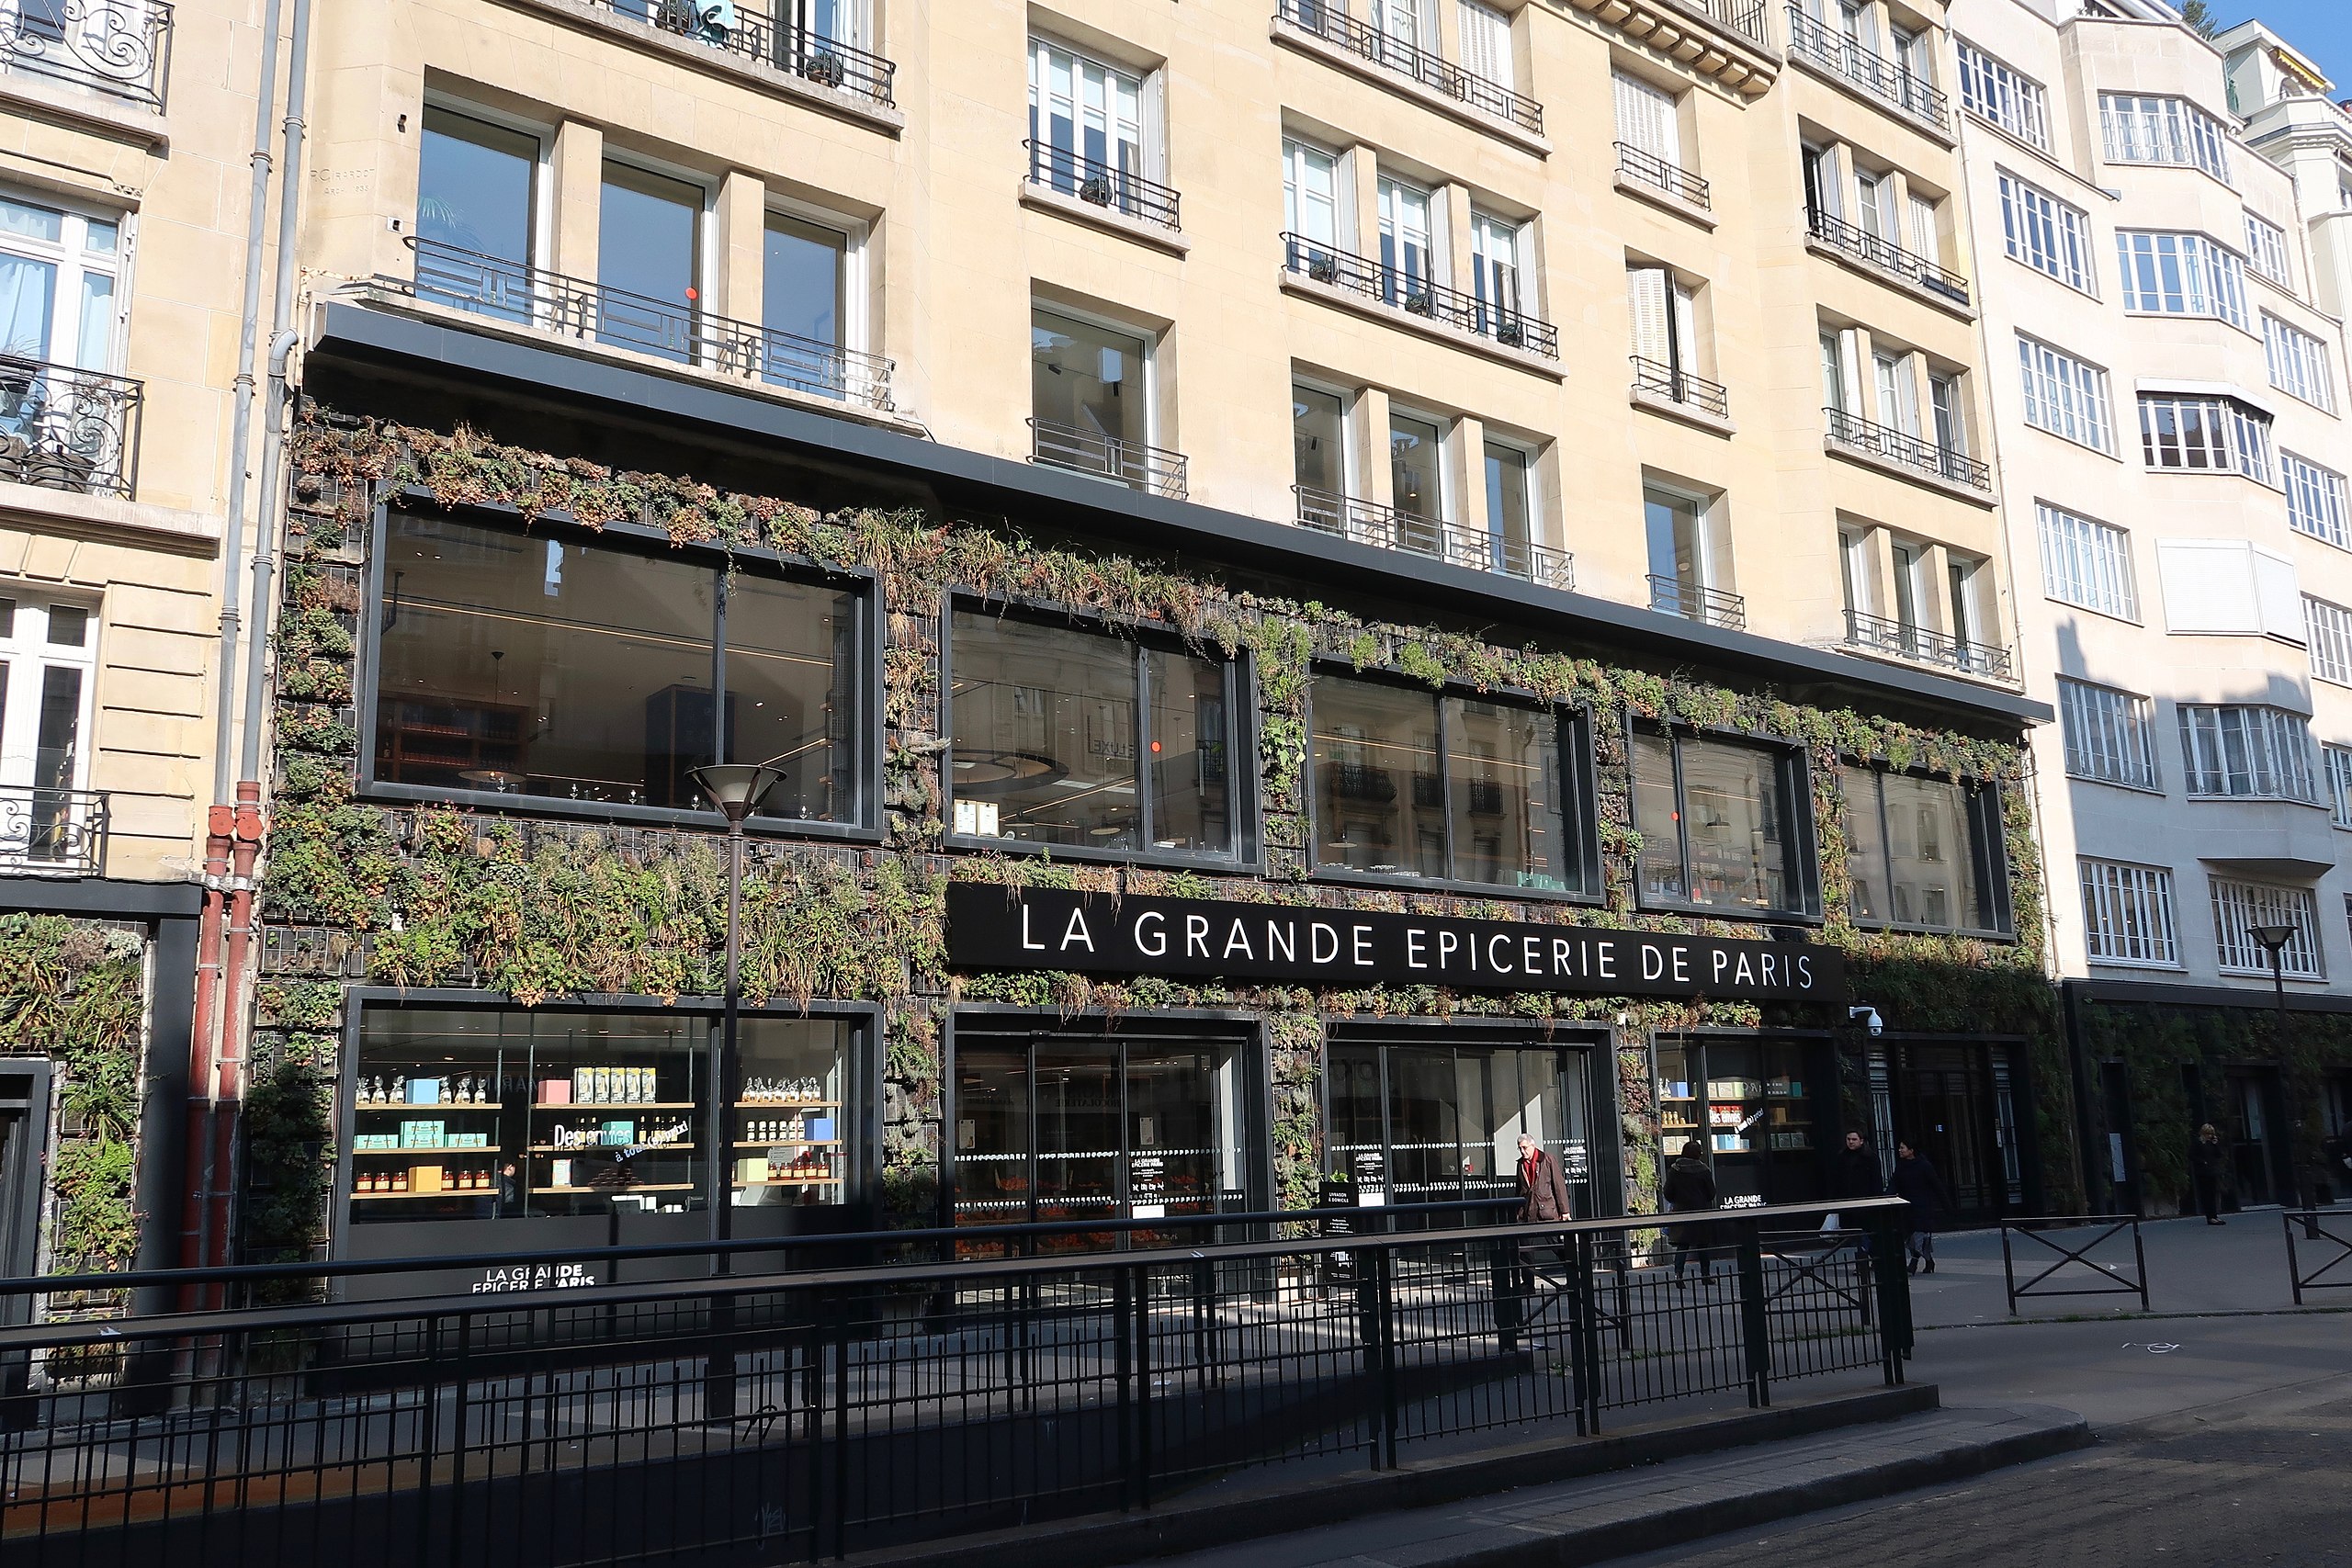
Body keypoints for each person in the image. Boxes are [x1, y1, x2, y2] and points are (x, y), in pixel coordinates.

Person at [1660, 1138, 1719, 1286]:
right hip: (1700, 1210)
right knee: (1702, 1244)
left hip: (1682, 1210)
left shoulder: (1675, 1170)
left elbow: (1667, 1192)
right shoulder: (1704, 1170)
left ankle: (1678, 1275)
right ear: (1698, 1154)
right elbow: (1711, 1193)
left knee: (1682, 1244)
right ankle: (1705, 1275)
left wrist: (1677, 1200)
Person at [1890, 1141, 1948, 1274]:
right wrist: (1887, 1196)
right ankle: (1929, 1260)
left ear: (1911, 1150)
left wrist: (1946, 1206)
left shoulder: (1924, 1165)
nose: (1900, 1150)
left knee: (1919, 1236)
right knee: (1910, 1238)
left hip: (1922, 1206)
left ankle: (1913, 1263)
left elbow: (1936, 1185)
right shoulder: (1901, 1166)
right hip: (1906, 1206)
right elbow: (1894, 1182)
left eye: (1902, 1148)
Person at [1517, 1133, 1572, 1224]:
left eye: (1525, 1147)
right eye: (1520, 1148)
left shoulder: (1548, 1159)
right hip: (1528, 1215)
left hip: (1547, 1214)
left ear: (1533, 1146)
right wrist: (1519, 1213)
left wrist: (1564, 1211)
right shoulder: (1520, 1164)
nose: (1522, 1151)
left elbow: (1559, 1186)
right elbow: (1519, 1190)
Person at [2190, 1122, 2227, 1224]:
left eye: (2211, 1134)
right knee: (2207, 1195)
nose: (2209, 1136)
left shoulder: (2212, 1143)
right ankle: (2210, 1217)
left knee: (2213, 1194)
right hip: (2203, 1172)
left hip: (2212, 1171)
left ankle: (2214, 1215)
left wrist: (2216, 1145)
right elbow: (2191, 1155)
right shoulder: (2198, 1143)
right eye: (2208, 1134)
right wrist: (2202, 1161)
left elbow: (2219, 1154)